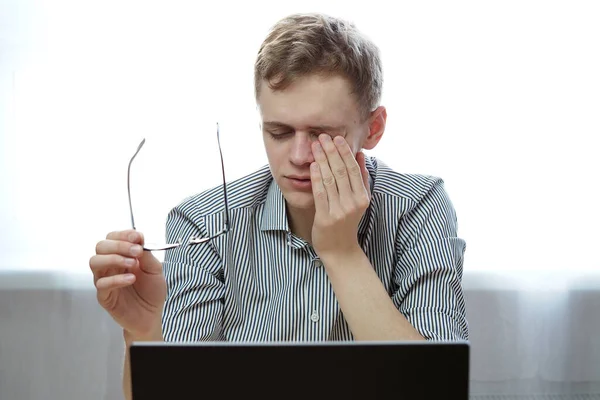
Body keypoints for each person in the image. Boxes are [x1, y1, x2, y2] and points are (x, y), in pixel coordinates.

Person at [90, 12, 469, 399]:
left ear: (372, 129)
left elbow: (432, 389)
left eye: (321, 134)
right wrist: (144, 334)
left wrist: (341, 251)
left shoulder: (419, 206)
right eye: (280, 132)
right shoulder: (203, 221)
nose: (299, 155)